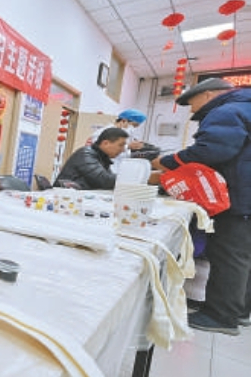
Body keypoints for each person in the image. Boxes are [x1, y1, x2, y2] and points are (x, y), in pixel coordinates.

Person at [151, 78, 251, 336]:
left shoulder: (226, 111)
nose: (192, 110)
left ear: (207, 95)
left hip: (239, 196)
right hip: (245, 195)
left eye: (192, 103)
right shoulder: (244, 106)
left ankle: (222, 316)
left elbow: (210, 151)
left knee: (228, 255)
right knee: (242, 256)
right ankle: (239, 310)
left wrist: (167, 162)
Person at [53, 127, 129, 190]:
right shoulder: (86, 154)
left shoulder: (102, 158)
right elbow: (104, 180)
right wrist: (130, 178)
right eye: (120, 145)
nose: (123, 150)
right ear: (105, 143)